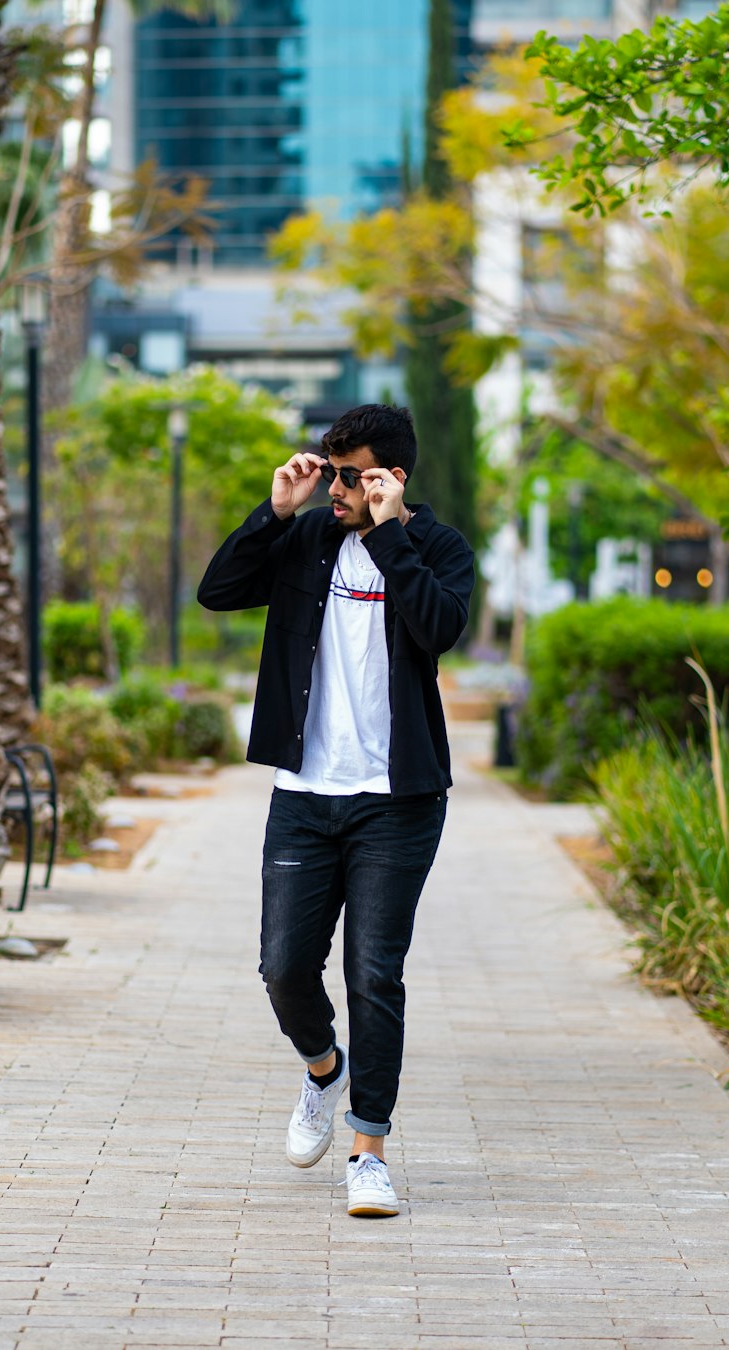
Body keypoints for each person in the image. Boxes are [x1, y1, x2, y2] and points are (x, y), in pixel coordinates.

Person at [197, 403, 475, 1217]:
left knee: (373, 974)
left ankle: (369, 1150)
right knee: (283, 967)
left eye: (350, 475)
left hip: (398, 802)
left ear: (391, 475)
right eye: (331, 471)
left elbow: (440, 627)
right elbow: (218, 591)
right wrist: (276, 509)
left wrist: (390, 534)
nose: (337, 489)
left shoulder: (437, 547)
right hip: (305, 796)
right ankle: (324, 1067)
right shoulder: (308, 537)